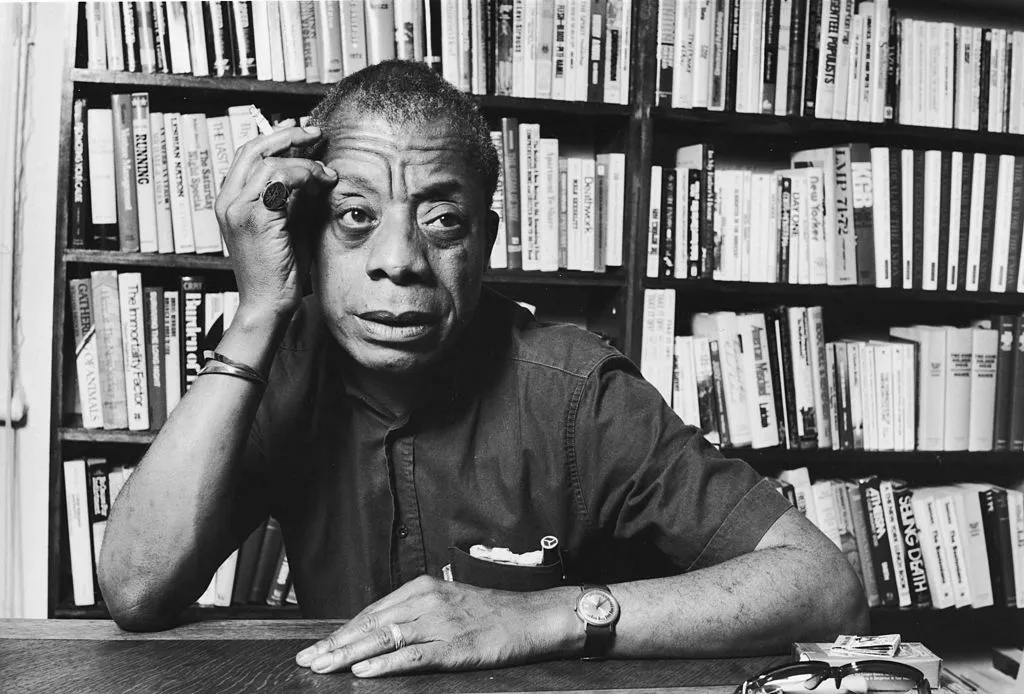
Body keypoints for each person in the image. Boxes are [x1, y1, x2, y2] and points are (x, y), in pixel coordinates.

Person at [98, 60, 868, 678]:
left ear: (486, 240)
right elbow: (135, 590)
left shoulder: (576, 393)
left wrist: (540, 616)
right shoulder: (282, 370)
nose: (399, 261)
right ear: (306, 231)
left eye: (442, 221)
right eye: (355, 217)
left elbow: (824, 585)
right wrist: (260, 308)